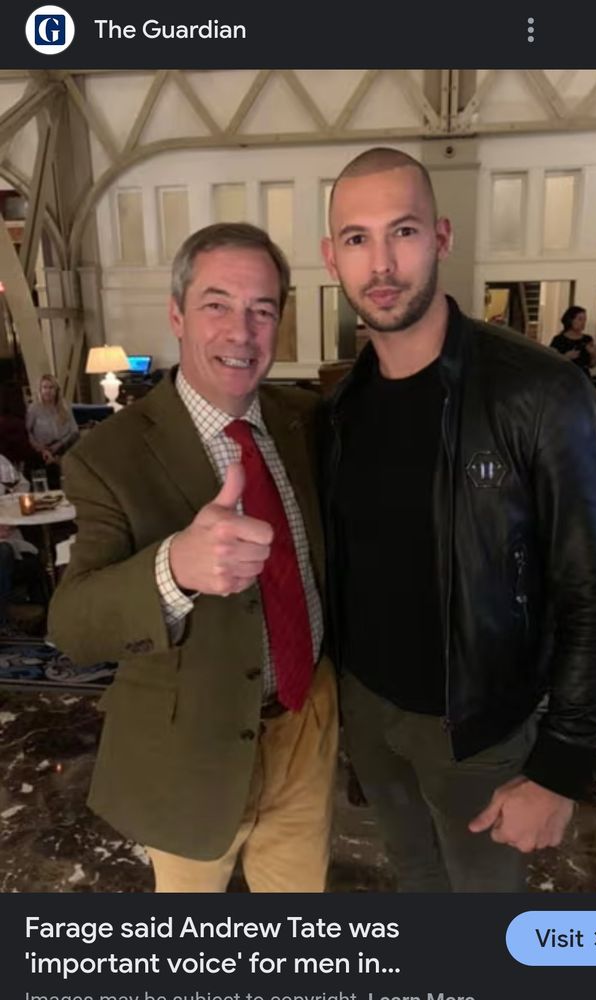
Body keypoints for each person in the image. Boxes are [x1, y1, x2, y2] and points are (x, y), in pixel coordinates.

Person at [320, 147, 596, 892]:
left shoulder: (539, 391)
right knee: (416, 880)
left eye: (403, 231)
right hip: (369, 710)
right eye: (358, 239)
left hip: (477, 724)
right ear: (332, 257)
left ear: (441, 237)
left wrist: (559, 769)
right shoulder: (341, 407)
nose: (382, 263)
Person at [48, 223, 337, 893]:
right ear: (176, 314)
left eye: (261, 310)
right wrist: (172, 569)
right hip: (191, 750)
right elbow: (73, 623)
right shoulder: (108, 457)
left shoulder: (304, 423)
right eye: (217, 304)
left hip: (306, 725)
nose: (241, 331)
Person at [0, 453, 46, 637]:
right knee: (4, 553)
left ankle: (50, 624)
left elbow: (22, 485)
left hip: (7, 530)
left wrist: (11, 516)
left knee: (35, 559)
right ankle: (3, 618)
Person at [26, 374, 80, 489]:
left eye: (51, 387)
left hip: (63, 447)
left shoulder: (64, 407)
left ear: (56, 390)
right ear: (40, 390)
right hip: (42, 450)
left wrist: (59, 445)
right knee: (47, 469)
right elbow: (28, 432)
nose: (48, 391)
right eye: (45, 387)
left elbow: (74, 431)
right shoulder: (34, 409)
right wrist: (41, 449)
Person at [549, 306, 596, 378]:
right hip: (565, 377)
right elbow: (551, 362)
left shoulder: (587, 339)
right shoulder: (558, 339)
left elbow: (592, 365)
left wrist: (593, 355)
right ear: (570, 320)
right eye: (580, 319)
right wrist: (565, 357)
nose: (583, 323)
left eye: (585, 320)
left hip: (583, 377)